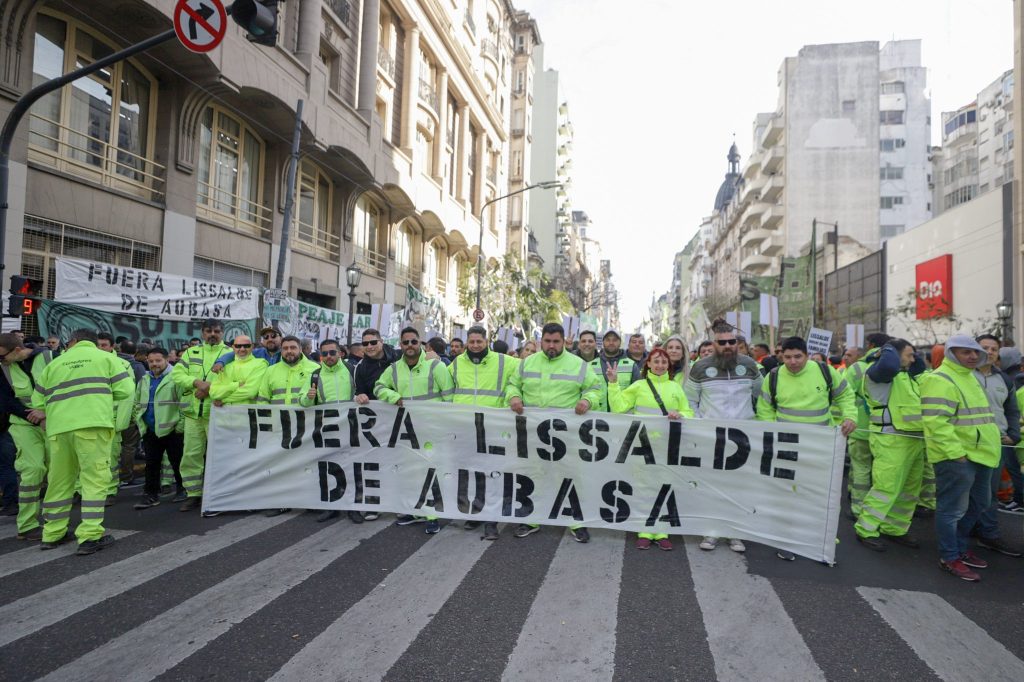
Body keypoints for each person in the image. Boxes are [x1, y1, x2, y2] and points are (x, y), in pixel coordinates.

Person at [32, 329, 134, 554]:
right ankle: (89, 536)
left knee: (59, 481)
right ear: (93, 342)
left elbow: (37, 399)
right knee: (94, 480)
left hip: (59, 430)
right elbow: (126, 390)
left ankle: (52, 533)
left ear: (73, 342)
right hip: (92, 426)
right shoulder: (106, 358)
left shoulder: (55, 364)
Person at [757, 336, 856, 560]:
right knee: (786, 495)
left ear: (807, 355)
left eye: (797, 357)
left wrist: (850, 416)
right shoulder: (772, 377)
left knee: (822, 493)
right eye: (787, 357)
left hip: (820, 447)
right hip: (786, 447)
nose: (792, 362)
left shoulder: (824, 371)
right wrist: (774, 437)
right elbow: (764, 410)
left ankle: (823, 538)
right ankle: (787, 539)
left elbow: (845, 396)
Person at [506, 322, 602, 543]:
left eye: (556, 342)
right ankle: (531, 518)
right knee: (533, 474)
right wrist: (513, 397)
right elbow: (513, 385)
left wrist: (587, 401)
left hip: (565, 433)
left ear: (563, 342)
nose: (551, 346)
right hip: (532, 432)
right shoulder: (527, 362)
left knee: (570, 476)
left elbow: (595, 389)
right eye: (547, 341)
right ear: (541, 342)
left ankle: (576, 521)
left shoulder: (578, 365)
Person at [921, 335, 1004, 581]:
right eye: (964, 352)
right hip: (957, 457)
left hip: (980, 455)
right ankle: (950, 556)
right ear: (950, 353)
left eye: (974, 352)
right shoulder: (940, 379)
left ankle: (958, 549)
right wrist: (956, 454)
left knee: (979, 503)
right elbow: (936, 422)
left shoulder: (969, 377)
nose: (971, 356)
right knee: (952, 509)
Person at [685, 320, 763, 553]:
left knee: (739, 486)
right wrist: (702, 425)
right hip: (713, 439)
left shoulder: (750, 366)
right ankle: (712, 531)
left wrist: (756, 426)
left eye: (732, 341)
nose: (728, 346)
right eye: (722, 342)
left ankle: (735, 532)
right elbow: (690, 401)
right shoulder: (700, 368)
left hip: (743, 439)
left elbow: (761, 398)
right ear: (713, 343)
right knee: (713, 486)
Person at [607, 347, 693, 551]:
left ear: (668, 365)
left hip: (666, 446)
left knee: (664, 487)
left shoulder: (675, 387)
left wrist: (680, 415)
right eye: (656, 361)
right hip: (642, 445)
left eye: (664, 362)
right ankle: (644, 530)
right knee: (643, 487)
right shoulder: (639, 385)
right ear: (648, 364)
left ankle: (662, 531)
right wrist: (613, 383)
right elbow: (619, 407)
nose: (660, 365)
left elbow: (688, 411)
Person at [375, 327, 454, 534]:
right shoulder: (393, 369)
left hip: (432, 430)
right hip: (407, 431)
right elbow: (378, 387)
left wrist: (445, 426)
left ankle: (432, 515)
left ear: (421, 343)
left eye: (413, 341)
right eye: (406, 342)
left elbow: (450, 398)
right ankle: (414, 510)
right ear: (400, 345)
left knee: (430, 473)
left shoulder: (435, 366)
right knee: (412, 473)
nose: (410, 345)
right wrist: (393, 397)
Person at [853, 339, 927, 551]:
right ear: (894, 355)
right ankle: (866, 529)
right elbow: (888, 364)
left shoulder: (907, 376)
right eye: (909, 354)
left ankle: (894, 527)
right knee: (886, 487)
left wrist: (909, 355)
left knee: (909, 489)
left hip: (913, 438)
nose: (914, 359)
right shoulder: (880, 373)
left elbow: (921, 367)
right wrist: (887, 347)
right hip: (890, 438)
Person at [449, 326, 512, 540]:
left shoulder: (504, 361)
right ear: (467, 342)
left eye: (479, 341)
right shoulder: (456, 363)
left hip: (493, 428)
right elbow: (447, 389)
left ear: (487, 341)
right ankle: (475, 512)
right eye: (472, 342)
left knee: (492, 475)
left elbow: (522, 378)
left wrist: (511, 399)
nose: (475, 345)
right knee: (471, 473)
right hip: (465, 428)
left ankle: (491, 521)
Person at [969, 335, 1022, 557]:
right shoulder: (962, 376)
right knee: (965, 491)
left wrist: (1013, 435)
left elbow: (1011, 410)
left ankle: (988, 534)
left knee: (989, 492)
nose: (989, 352)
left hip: (996, 445)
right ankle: (965, 532)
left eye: (994, 349)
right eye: (984, 348)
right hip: (966, 443)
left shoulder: (1004, 380)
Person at [301, 339, 363, 524]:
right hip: (327, 428)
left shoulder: (352, 370)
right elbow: (303, 401)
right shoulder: (314, 375)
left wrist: (360, 396)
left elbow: (363, 392)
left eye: (332, 353)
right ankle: (332, 507)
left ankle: (354, 507)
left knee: (353, 468)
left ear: (340, 353)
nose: (328, 357)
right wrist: (307, 397)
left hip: (351, 426)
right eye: (325, 354)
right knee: (330, 468)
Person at [172, 319, 228, 512]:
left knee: (219, 456)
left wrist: (209, 389)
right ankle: (193, 494)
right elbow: (177, 375)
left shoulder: (230, 353)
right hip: (193, 415)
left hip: (217, 414)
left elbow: (237, 380)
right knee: (191, 455)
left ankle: (218, 494)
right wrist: (196, 382)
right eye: (208, 331)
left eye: (217, 331)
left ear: (222, 333)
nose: (213, 334)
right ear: (203, 333)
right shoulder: (191, 352)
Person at [0, 334, 50, 538]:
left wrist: (47, 414)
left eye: (3, 356)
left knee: (56, 473)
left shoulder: (49, 357)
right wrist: (35, 417)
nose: (0, 360)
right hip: (24, 424)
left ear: (17, 350)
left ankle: (54, 522)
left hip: (53, 422)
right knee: (32, 469)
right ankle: (27, 524)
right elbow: (5, 401)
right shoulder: (3, 368)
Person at [844, 333, 891, 521]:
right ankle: (878, 511)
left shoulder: (857, 368)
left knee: (860, 468)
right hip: (885, 427)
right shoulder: (893, 367)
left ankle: (858, 508)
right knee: (879, 472)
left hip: (860, 426)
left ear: (870, 345)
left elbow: (845, 395)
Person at [132, 348, 186, 510]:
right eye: (151, 361)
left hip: (173, 429)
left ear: (166, 360)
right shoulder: (144, 379)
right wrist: (140, 421)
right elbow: (137, 402)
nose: (154, 364)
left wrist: (180, 427)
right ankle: (150, 495)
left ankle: (183, 490)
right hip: (150, 429)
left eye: (158, 361)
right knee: (152, 463)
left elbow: (185, 403)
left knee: (178, 462)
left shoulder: (176, 377)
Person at [97, 332, 138, 502]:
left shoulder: (122, 364)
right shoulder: (91, 364)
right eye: (97, 345)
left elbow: (129, 393)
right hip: (92, 417)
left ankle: (110, 491)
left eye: (104, 345)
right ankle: (81, 490)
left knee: (111, 458)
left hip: (113, 420)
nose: (100, 348)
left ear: (112, 347)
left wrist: (129, 417)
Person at [997, 346, 1024, 513]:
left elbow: (1011, 411)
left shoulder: (1010, 382)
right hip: (1016, 434)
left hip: (1014, 436)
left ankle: (1020, 501)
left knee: (1016, 470)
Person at [210, 335, 269, 407]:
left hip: (246, 415)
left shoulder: (260, 364)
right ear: (233, 347)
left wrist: (223, 400)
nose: (242, 349)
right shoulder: (225, 366)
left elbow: (250, 392)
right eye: (238, 346)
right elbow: (213, 392)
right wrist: (236, 385)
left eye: (246, 346)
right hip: (224, 415)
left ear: (252, 347)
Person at [353, 328, 396, 405]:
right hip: (377, 412)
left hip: (402, 408)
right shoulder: (360, 367)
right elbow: (360, 392)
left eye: (373, 342)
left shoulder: (398, 356)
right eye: (365, 344)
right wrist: (360, 397)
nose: (369, 346)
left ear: (381, 342)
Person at [216, 326, 283, 369]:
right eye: (266, 337)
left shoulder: (287, 354)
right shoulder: (258, 353)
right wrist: (220, 362)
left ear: (281, 338)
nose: (270, 339)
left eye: (273, 336)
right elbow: (234, 354)